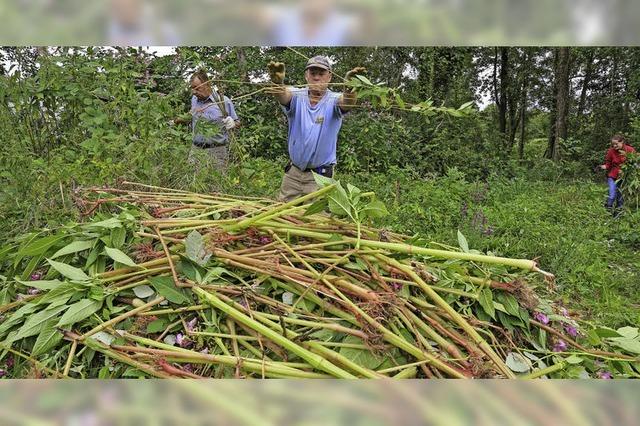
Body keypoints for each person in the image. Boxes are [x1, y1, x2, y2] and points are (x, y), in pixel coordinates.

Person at [266, 55, 365, 202]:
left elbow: (347, 102)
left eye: (321, 73)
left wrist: (350, 89)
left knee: (316, 222)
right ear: (306, 75)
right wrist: (277, 83)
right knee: (281, 216)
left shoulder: (334, 100)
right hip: (293, 174)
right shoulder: (297, 96)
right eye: (313, 73)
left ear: (330, 76)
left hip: (320, 178)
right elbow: (283, 95)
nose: (317, 78)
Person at [176, 69, 240, 172]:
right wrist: (176, 121)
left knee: (216, 184)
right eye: (192, 88)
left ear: (207, 85)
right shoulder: (194, 99)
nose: (194, 92)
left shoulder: (223, 102)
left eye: (197, 88)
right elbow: (191, 114)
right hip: (196, 150)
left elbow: (237, 122)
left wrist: (232, 123)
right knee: (192, 182)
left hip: (217, 151)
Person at [600, 133, 635, 216]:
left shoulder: (630, 150)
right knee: (612, 195)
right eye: (613, 144)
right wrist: (601, 167)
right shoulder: (611, 151)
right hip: (612, 176)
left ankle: (618, 214)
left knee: (620, 197)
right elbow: (608, 164)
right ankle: (608, 211)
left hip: (624, 178)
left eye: (616, 144)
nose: (614, 146)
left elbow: (635, 161)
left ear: (622, 142)